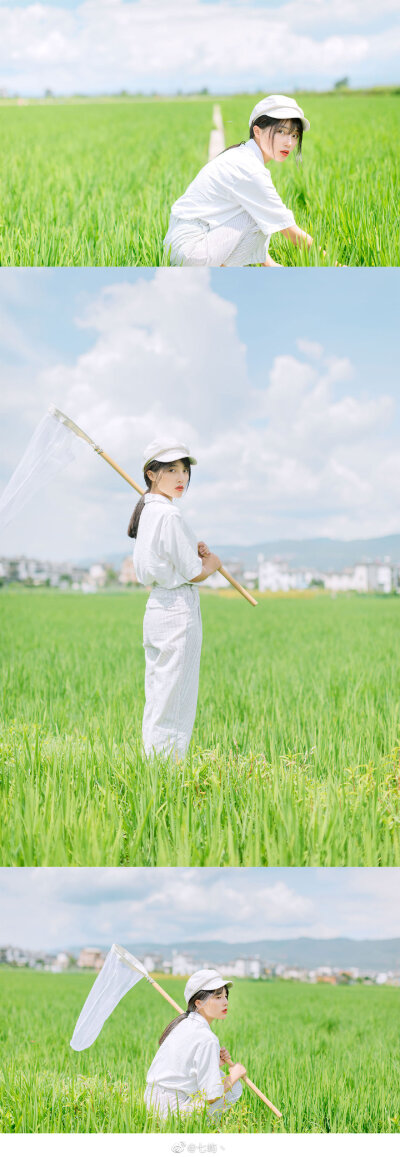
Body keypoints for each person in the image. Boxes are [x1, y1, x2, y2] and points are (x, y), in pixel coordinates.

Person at [127, 439, 221, 760]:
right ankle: (168, 775)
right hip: (178, 610)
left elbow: (169, 558)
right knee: (175, 699)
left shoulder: (149, 511)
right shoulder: (168, 515)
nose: (181, 477)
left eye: (184, 470)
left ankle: (152, 767)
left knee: (158, 695)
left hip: (155, 608)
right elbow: (194, 573)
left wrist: (190, 551)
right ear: (152, 474)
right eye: (171, 470)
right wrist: (213, 564)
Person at [163, 94, 312, 267]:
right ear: (257, 131)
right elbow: (290, 231)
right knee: (260, 213)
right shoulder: (249, 169)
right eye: (281, 132)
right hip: (192, 249)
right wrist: (335, 265)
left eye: (294, 135)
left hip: (184, 247)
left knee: (259, 211)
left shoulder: (243, 156)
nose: (289, 142)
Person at [144, 969, 246, 1121]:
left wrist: (214, 1063)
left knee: (218, 1076)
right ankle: (206, 1128)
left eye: (225, 996)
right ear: (199, 1003)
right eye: (218, 997)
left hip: (152, 1100)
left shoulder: (183, 1024)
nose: (225, 1002)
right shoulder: (207, 1038)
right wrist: (234, 1076)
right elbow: (211, 1096)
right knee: (234, 1087)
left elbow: (181, 1068)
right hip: (172, 1110)